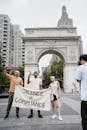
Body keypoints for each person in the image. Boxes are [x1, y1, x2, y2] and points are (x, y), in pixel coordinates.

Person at [76, 54, 87, 130]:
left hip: (85, 98)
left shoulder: (81, 67)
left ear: (82, 60)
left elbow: (78, 79)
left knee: (85, 118)